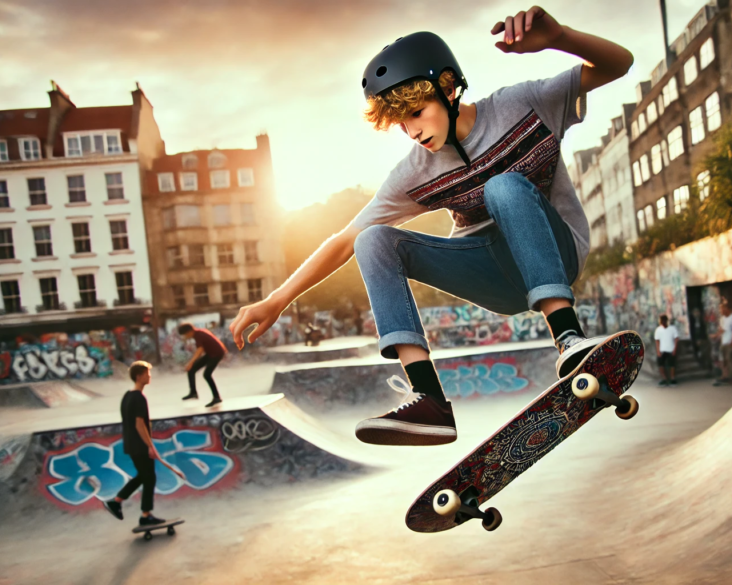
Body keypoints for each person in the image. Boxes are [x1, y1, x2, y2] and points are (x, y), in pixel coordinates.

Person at [229, 7, 634, 446]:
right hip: (492, 277)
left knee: (503, 188)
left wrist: (560, 36)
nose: (412, 131)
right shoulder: (414, 173)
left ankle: (569, 339)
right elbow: (343, 240)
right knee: (373, 239)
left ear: (448, 86)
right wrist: (277, 299)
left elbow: (618, 64)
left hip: (557, 255)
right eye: (401, 123)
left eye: (417, 113)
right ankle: (429, 400)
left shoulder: (524, 104)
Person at [101, 361, 167, 527]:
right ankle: (145, 515)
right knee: (149, 477)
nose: (149, 376)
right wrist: (150, 446)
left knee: (144, 476)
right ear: (139, 376)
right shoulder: (139, 398)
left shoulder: (127, 396)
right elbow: (139, 424)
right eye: (147, 373)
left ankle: (117, 502)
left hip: (130, 444)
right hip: (139, 445)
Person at [179, 322, 226, 407]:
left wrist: (190, 363)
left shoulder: (199, 335)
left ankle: (216, 397)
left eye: (185, 334)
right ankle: (193, 392)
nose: (185, 337)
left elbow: (200, 350)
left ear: (189, 331)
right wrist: (191, 365)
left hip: (217, 354)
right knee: (191, 370)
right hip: (210, 353)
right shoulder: (198, 334)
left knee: (207, 375)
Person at [714, 300, 732, 386]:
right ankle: (725, 375)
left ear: (726, 309)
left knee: (729, 359)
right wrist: (717, 336)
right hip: (723, 341)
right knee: (722, 359)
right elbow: (721, 329)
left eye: (722, 309)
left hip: (729, 341)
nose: (720, 311)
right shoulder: (722, 319)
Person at [654, 315, 678, 387]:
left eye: (664, 320)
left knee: (672, 365)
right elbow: (657, 341)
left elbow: (676, 339)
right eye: (662, 321)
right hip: (662, 350)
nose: (663, 322)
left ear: (666, 321)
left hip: (670, 349)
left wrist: (674, 349)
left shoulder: (672, 329)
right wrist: (658, 351)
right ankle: (664, 379)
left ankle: (672, 379)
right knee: (660, 364)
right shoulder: (658, 330)